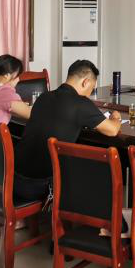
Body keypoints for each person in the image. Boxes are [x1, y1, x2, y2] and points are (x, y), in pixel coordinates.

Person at [14, 60, 122, 202]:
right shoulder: (81, 103)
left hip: (16, 180)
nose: (89, 93)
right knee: (99, 172)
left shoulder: (44, 97)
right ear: (85, 82)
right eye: (92, 88)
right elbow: (112, 131)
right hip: (42, 186)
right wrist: (116, 117)